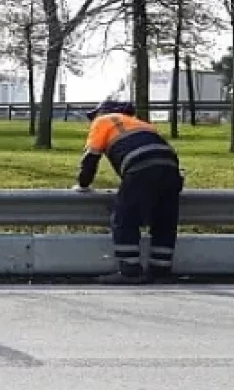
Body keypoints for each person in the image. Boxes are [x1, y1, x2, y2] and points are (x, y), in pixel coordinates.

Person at [72, 100, 184, 285]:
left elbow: (90, 159)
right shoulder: (143, 124)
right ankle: (160, 270)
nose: (91, 121)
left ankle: (130, 270)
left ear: (104, 112)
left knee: (124, 217)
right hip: (170, 167)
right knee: (164, 219)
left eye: (94, 116)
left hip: (141, 166)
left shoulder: (103, 121)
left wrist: (83, 185)